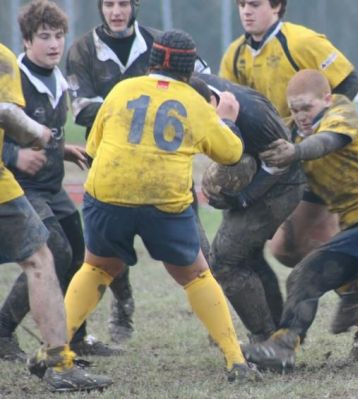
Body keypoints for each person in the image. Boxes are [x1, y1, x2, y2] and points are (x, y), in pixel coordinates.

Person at [61, 30, 261, 382]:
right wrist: (226, 117)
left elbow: (94, 145)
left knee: (96, 268)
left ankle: (55, 350)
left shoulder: (122, 90)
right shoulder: (194, 102)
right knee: (196, 275)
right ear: (189, 70)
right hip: (164, 199)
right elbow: (231, 153)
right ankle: (236, 361)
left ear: (152, 60)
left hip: (107, 194)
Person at [220, 0, 358, 345]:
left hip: (311, 159)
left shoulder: (302, 41)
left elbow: (348, 82)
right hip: (271, 165)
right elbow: (227, 108)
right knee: (282, 249)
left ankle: (344, 318)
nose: (246, 11)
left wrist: (314, 127)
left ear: (277, 7)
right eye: (241, 4)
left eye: (255, 4)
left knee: (295, 245)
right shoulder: (235, 55)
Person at [244, 69, 358, 373]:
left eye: (307, 107)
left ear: (326, 99)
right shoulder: (292, 133)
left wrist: (297, 150)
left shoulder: (342, 114)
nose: (301, 115)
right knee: (303, 273)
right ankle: (284, 344)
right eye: (295, 109)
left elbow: (327, 141)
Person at [66, 0, 210, 344]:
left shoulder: (162, 43)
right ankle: (123, 302)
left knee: (197, 243)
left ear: (135, 6)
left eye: (123, 4)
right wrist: (141, 110)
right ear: (100, 8)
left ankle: (215, 326)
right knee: (109, 251)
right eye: (109, 4)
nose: (117, 11)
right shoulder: (82, 50)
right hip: (110, 162)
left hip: (167, 165)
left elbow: (204, 78)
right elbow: (80, 107)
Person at [0, 0, 120, 361]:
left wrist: (61, 148)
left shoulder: (57, 76)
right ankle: (4, 330)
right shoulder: (14, 75)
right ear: (25, 41)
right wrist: (13, 155)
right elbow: (10, 127)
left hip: (51, 186)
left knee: (80, 253)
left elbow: (43, 130)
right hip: (22, 186)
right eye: (44, 37)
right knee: (53, 251)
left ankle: (76, 333)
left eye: (59, 36)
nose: (54, 44)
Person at [190, 73, 304, 343]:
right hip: (249, 180)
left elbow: (280, 163)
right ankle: (279, 333)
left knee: (226, 262)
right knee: (247, 258)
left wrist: (244, 197)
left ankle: (265, 339)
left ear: (210, 101)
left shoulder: (252, 116)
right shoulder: (189, 88)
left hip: (280, 184)